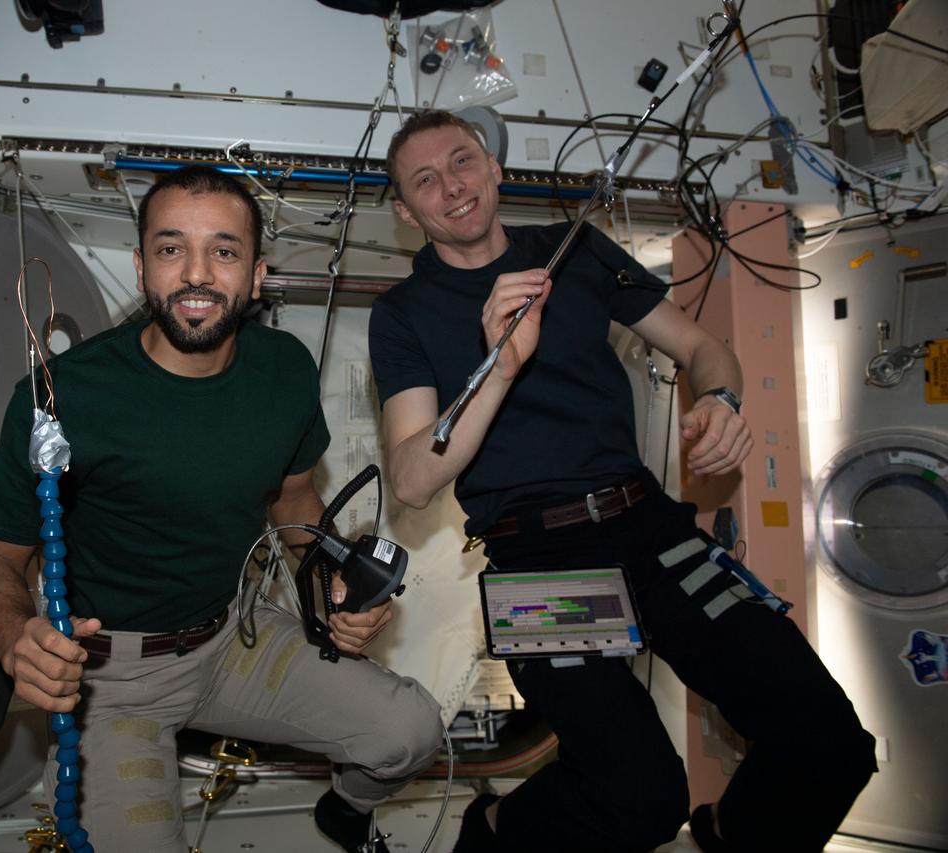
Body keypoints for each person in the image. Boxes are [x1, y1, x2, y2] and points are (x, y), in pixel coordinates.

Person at [368, 111, 876, 853]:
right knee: (641, 798)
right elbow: (413, 479)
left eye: (462, 161)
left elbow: (705, 349)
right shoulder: (403, 313)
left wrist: (722, 403)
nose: (452, 186)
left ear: (494, 167)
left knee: (829, 744)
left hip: (650, 529)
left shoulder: (576, 253)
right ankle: (496, 827)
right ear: (405, 211)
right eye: (425, 180)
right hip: (537, 560)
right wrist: (500, 367)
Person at [0, 166, 443, 853]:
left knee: (412, 731)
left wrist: (333, 577)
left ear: (255, 274)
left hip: (232, 641)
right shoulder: (64, 394)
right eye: (169, 248)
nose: (196, 273)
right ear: (139, 266)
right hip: (113, 681)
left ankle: (346, 809)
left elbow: (295, 498)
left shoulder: (284, 371)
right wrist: (15, 640)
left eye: (223, 250)